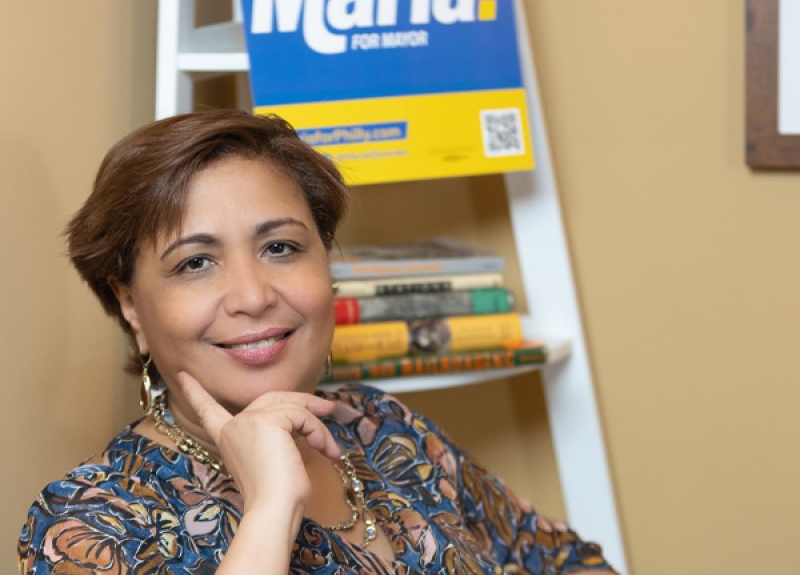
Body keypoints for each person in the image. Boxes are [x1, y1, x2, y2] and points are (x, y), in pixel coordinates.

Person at [17, 109, 618, 574]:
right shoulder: (85, 522)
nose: (252, 296)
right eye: (196, 262)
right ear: (129, 303)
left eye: (280, 247)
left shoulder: (383, 428)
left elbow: (567, 560)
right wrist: (271, 509)